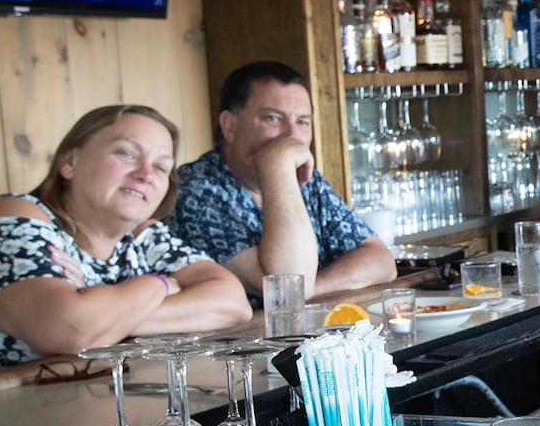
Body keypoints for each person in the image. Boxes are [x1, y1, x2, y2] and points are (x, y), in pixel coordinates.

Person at [0, 105, 250, 373]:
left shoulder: (140, 234)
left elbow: (234, 304)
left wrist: (105, 314)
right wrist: (160, 284)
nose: (146, 174)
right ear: (70, 163)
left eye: (162, 167)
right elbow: (70, 331)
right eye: (127, 154)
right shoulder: (12, 217)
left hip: (70, 412)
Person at [169, 62, 396, 300]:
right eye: (274, 118)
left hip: (314, 332)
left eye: (303, 122)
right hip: (240, 337)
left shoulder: (308, 182)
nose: (292, 136)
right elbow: (283, 284)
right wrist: (277, 167)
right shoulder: (194, 190)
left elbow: (381, 261)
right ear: (230, 126)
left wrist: (306, 292)